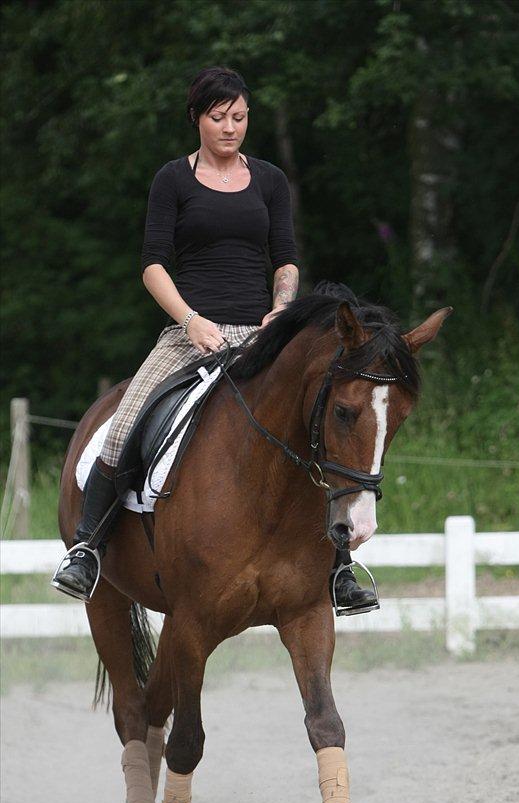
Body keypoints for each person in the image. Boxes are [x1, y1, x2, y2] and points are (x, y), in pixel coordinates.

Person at [52, 66, 375, 613]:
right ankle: (86, 548)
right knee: (125, 423)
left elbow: (286, 259)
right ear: (197, 119)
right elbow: (153, 266)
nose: (230, 128)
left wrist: (281, 311)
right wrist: (190, 320)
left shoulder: (270, 180)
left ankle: (339, 566)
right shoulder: (172, 180)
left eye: (240, 117)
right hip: (190, 333)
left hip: (260, 334)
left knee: (315, 423)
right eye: (219, 117)